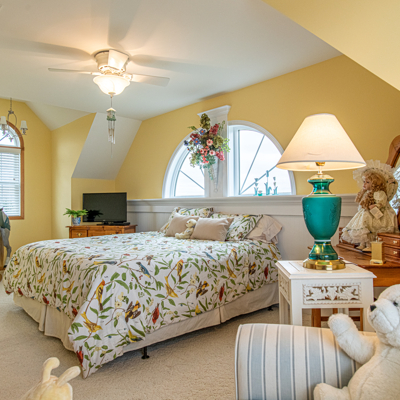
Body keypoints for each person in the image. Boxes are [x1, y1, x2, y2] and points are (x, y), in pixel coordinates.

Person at [341, 160, 398, 252]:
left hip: (377, 214)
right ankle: (363, 243)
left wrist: (376, 205)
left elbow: (382, 203)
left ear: (375, 183)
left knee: (369, 224)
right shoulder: (367, 193)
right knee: (363, 222)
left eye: (367, 182)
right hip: (368, 211)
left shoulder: (379, 193)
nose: (364, 184)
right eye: (364, 181)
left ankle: (370, 244)